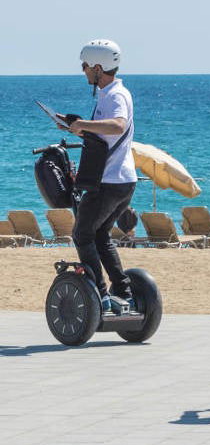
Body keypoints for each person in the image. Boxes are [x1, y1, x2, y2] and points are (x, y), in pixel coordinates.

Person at [59, 39, 137, 312]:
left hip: (110, 180)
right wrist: (78, 127)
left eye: (85, 66)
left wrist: (83, 124)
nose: (83, 71)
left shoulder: (116, 95)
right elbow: (105, 134)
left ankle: (100, 296)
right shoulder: (107, 94)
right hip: (122, 179)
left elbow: (117, 125)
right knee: (100, 234)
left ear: (97, 67)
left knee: (82, 235)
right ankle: (125, 292)